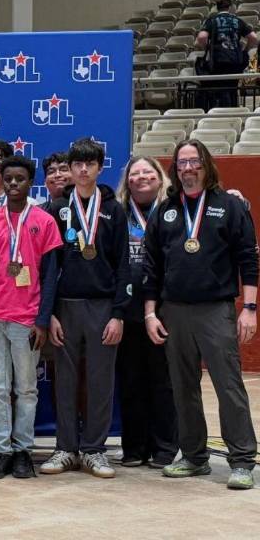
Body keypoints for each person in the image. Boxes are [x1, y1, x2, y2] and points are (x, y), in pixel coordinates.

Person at [144, 140, 258, 490]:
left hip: (216, 310)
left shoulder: (231, 205)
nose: (188, 168)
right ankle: (194, 456)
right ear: (175, 170)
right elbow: (152, 266)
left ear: (206, 165)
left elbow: (249, 260)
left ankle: (241, 460)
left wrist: (249, 309)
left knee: (228, 386)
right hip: (173, 311)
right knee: (183, 387)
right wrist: (150, 313)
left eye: (194, 161)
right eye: (181, 163)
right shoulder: (165, 210)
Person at [41, 137, 130, 479]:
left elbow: (123, 264)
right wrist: (49, 313)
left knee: (100, 380)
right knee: (64, 380)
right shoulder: (56, 208)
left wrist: (119, 313)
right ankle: (65, 447)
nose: (81, 169)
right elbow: (48, 267)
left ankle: (94, 449)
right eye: (76, 164)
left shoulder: (113, 210)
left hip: (103, 306)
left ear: (99, 168)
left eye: (89, 164)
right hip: (65, 306)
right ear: (70, 169)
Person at [0, 156, 62, 480]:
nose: (12, 184)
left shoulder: (44, 221)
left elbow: (51, 274)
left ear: (30, 182)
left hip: (27, 318)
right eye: (7, 178)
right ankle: (1, 451)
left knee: (25, 388)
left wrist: (42, 319)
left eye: (19, 179)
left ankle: (23, 450)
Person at [114, 156, 178, 469]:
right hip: (127, 309)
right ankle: (134, 448)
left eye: (148, 172)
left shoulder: (173, 209)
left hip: (165, 308)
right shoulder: (118, 212)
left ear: (159, 176)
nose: (141, 178)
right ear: (127, 181)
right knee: (130, 380)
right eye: (135, 173)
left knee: (163, 381)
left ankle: (165, 448)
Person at [195, 0, 258, 109]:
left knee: (220, 89)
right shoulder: (237, 20)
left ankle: (222, 113)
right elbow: (253, 38)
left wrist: (207, 48)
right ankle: (232, 111)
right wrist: (246, 50)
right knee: (232, 87)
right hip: (235, 60)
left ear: (217, 8)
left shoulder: (212, 20)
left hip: (218, 59)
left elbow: (201, 37)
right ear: (230, 7)